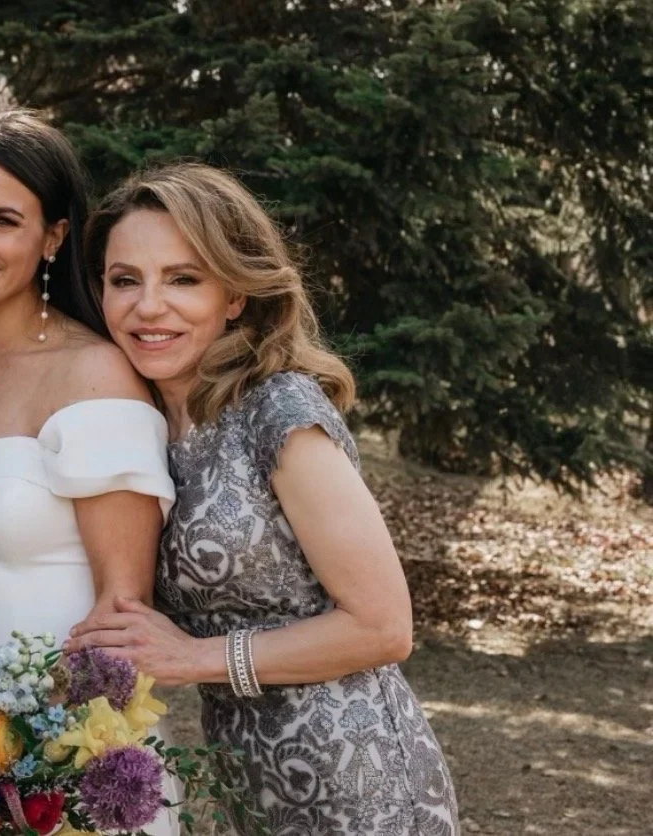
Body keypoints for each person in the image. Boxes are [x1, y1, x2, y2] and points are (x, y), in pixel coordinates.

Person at [65, 162, 459, 834]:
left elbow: (384, 625)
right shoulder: (149, 428)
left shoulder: (279, 411)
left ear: (235, 296)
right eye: (125, 280)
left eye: (183, 279)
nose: (148, 306)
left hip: (361, 783)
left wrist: (195, 658)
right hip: (251, 786)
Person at [0, 109, 180, 836]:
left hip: (62, 772)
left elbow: (125, 620)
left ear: (53, 236)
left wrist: (45, 783)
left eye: (3, 221)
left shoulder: (95, 375)